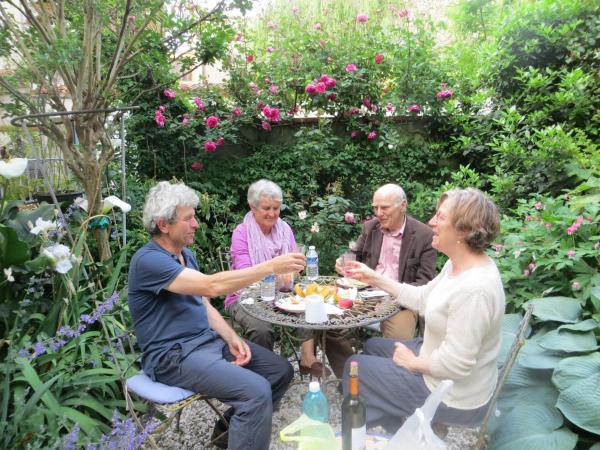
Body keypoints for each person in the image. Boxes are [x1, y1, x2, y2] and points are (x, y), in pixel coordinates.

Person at [128, 181, 305, 450]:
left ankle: (226, 434)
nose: (196, 224)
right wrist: (271, 266)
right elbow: (211, 286)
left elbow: (203, 303)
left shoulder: (185, 255)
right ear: (164, 224)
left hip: (207, 344)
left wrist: (231, 336)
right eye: (189, 219)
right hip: (173, 356)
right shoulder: (148, 261)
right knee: (255, 392)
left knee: (280, 371)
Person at [343, 188, 504, 429]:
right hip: (439, 360)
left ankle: (385, 436)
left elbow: (456, 364)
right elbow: (421, 298)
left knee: (355, 366)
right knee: (371, 346)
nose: (431, 222)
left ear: (464, 230)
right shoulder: (457, 264)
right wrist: (373, 277)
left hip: (455, 396)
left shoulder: (475, 289)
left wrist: (413, 363)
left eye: (440, 217)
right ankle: (396, 430)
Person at [225, 179, 324, 376]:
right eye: (266, 208)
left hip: (282, 293)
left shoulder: (285, 229)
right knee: (261, 328)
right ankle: (264, 375)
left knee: (312, 304)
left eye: (276, 208)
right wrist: (277, 274)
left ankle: (307, 358)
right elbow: (245, 275)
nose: (272, 213)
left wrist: (292, 272)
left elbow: (297, 265)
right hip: (245, 296)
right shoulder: (242, 233)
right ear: (253, 207)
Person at [336, 183, 437, 339]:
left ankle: (383, 361)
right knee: (330, 324)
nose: (378, 213)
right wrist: (343, 261)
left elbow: (425, 282)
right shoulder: (370, 227)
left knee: (397, 345)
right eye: (375, 208)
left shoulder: (424, 235)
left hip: (399, 301)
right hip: (364, 294)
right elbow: (355, 254)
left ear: (403, 206)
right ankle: (353, 363)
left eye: (384, 208)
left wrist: (394, 294)